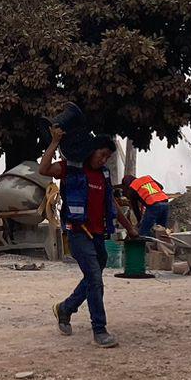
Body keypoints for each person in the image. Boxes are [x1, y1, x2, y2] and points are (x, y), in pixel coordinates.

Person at [40, 127, 137, 348]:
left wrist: (129, 227)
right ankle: (99, 330)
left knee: (92, 279)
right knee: (95, 278)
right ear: (91, 151)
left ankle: (65, 308)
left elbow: (111, 203)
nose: (104, 160)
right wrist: (54, 142)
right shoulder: (70, 168)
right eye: (101, 154)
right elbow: (44, 169)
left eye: (108, 157)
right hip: (77, 233)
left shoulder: (103, 175)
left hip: (97, 235)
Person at [121, 172, 171, 241]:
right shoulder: (147, 178)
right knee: (161, 231)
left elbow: (136, 208)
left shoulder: (132, 188)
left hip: (153, 206)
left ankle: (143, 250)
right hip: (165, 203)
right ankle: (164, 249)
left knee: (143, 233)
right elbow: (161, 187)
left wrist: (139, 222)